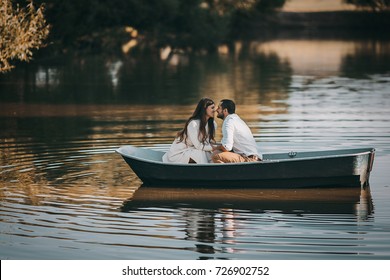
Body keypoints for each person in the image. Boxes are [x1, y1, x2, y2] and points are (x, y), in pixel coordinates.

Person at [162, 98, 217, 164]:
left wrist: (222, 146)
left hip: (194, 149)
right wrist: (215, 148)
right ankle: (205, 171)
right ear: (204, 109)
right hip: (180, 152)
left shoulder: (213, 124)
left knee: (209, 154)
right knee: (200, 153)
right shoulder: (193, 124)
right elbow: (198, 146)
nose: (214, 110)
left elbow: (208, 143)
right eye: (212, 108)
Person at [212, 99, 261, 163]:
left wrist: (213, 148)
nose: (216, 110)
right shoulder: (236, 119)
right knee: (218, 151)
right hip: (253, 157)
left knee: (215, 155)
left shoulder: (228, 122)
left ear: (225, 110)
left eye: (219, 108)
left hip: (249, 159)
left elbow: (227, 147)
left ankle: (226, 173)